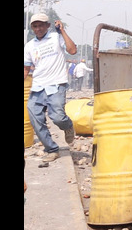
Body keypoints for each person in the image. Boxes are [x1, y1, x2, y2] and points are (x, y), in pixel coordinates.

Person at [24, 13, 78, 162]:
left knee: (58, 117)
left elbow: (73, 51)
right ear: (32, 28)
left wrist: (62, 31)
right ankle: (52, 149)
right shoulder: (29, 46)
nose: (38, 28)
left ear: (47, 26)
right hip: (38, 87)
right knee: (35, 118)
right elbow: (26, 69)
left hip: (56, 84)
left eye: (41, 25)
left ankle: (67, 126)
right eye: (35, 26)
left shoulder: (56, 37)